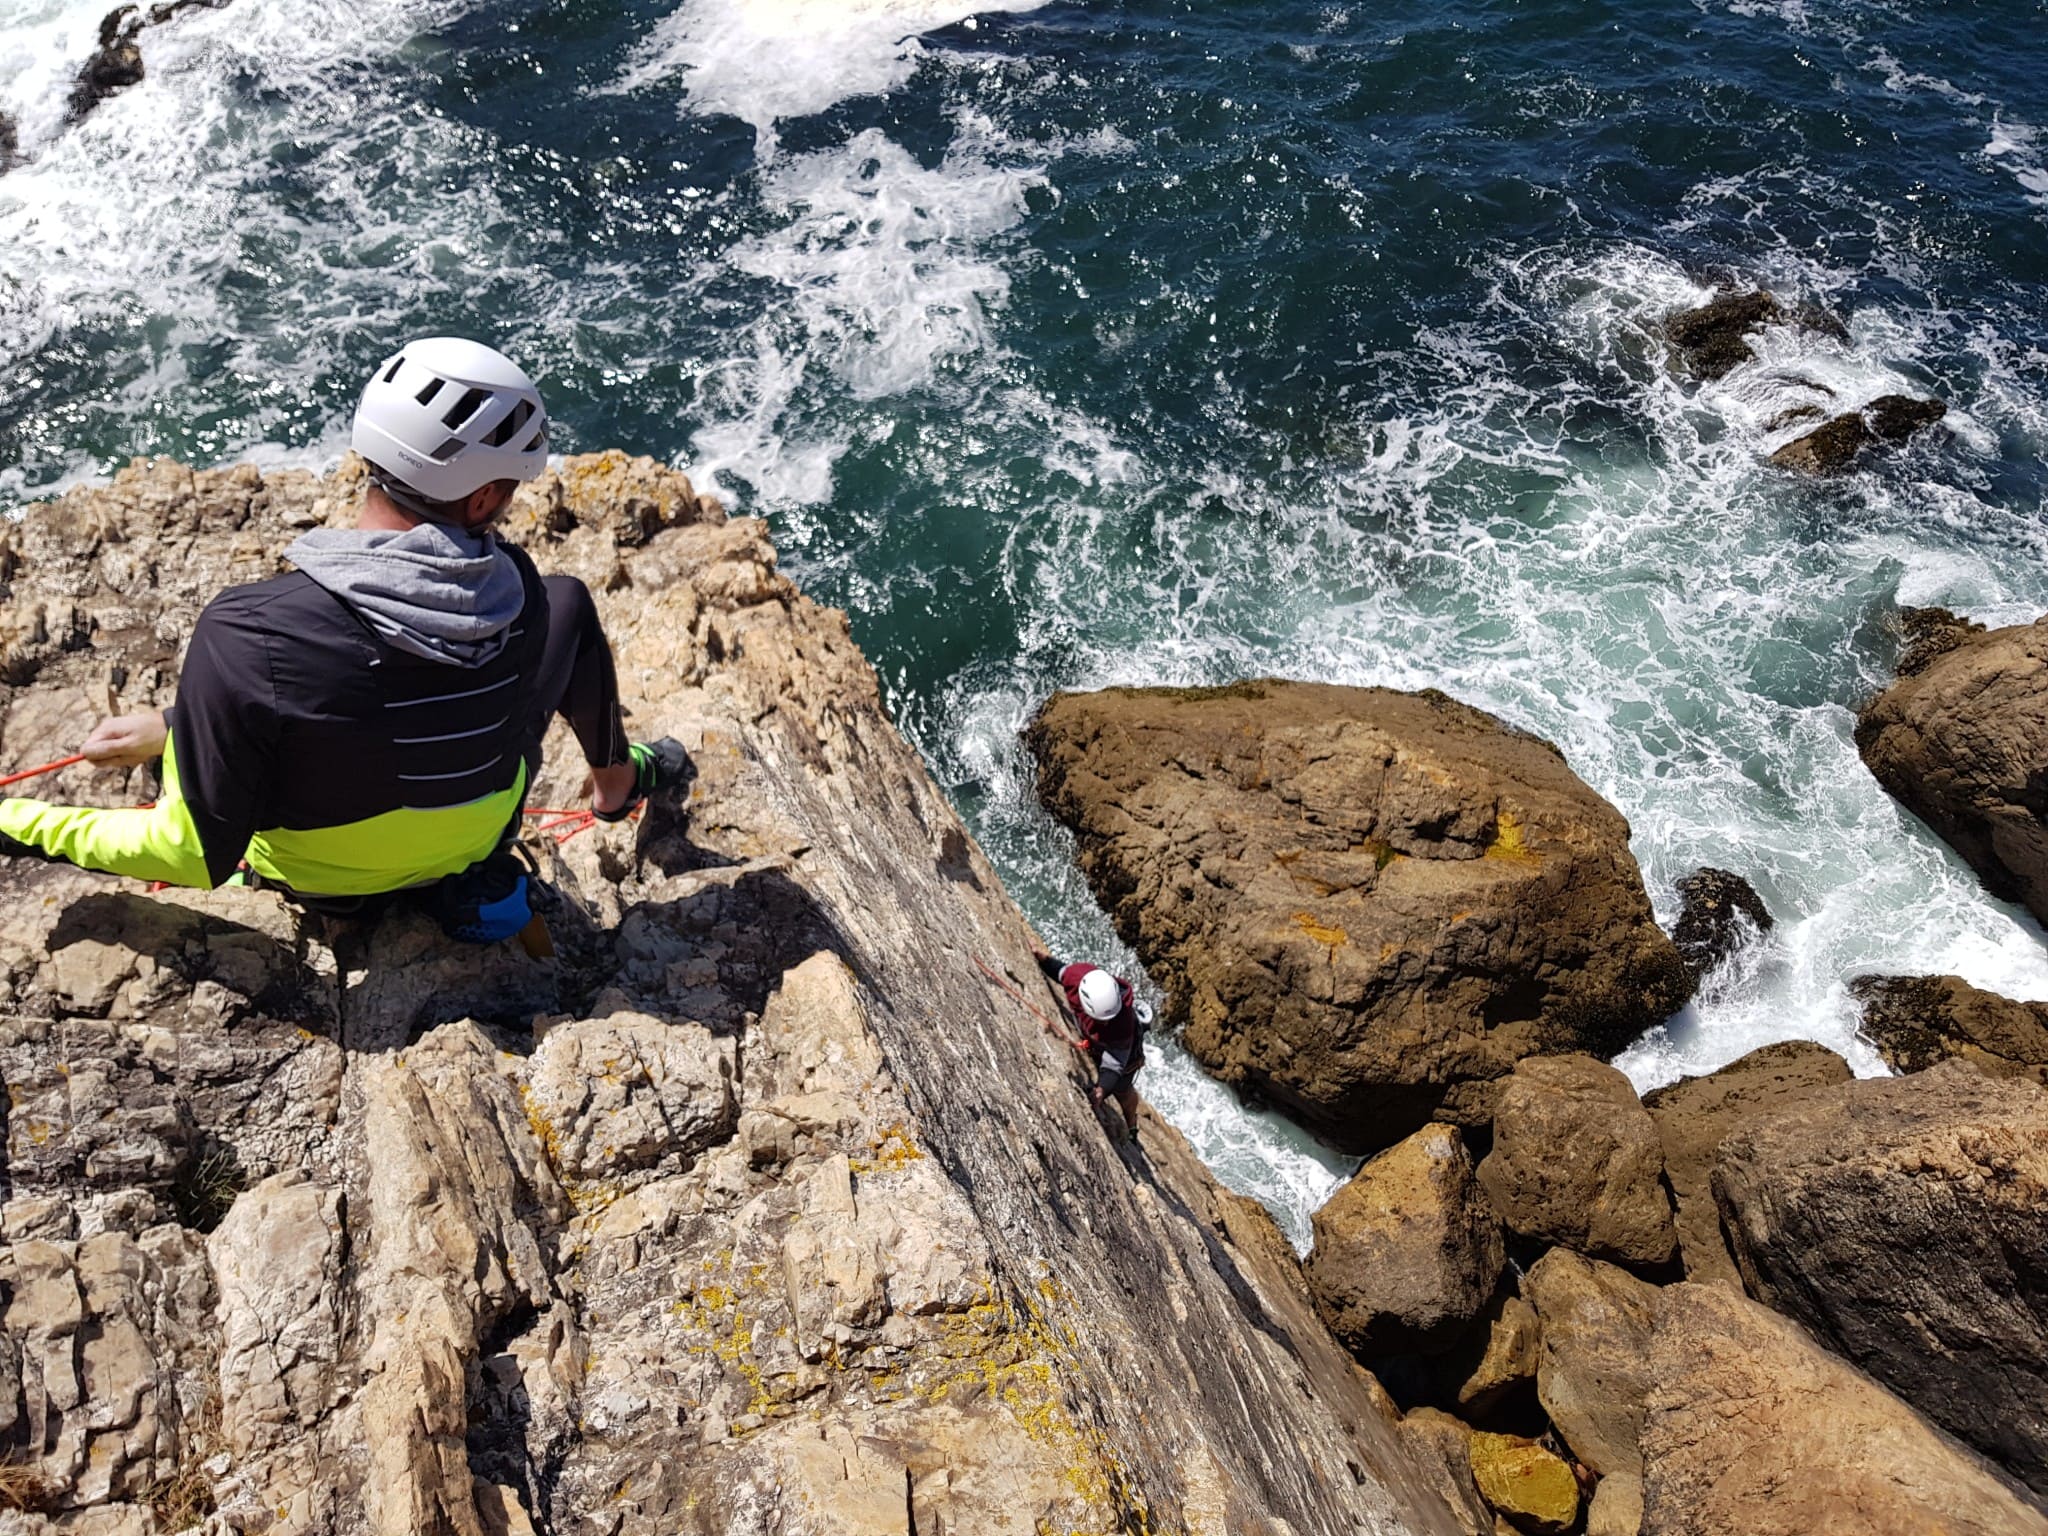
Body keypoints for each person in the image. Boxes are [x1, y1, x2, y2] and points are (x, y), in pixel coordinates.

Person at [0, 337, 687, 943]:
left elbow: (193, 855)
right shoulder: (524, 596)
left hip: (321, 877)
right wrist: (181, 723)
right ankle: (617, 782)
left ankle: (350, 896)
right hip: (476, 841)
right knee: (570, 599)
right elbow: (398, 698)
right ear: (481, 501)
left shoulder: (249, 631)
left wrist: (21, 823)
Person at [1032, 943, 1151, 1142]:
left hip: (1125, 1055)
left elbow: (1115, 1062)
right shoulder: (1078, 977)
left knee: (1123, 1090)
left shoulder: (1122, 1022)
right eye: (1102, 1019)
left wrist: (1101, 1090)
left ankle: (1132, 1127)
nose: (1107, 1022)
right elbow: (1061, 972)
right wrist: (1041, 957)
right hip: (1097, 1044)